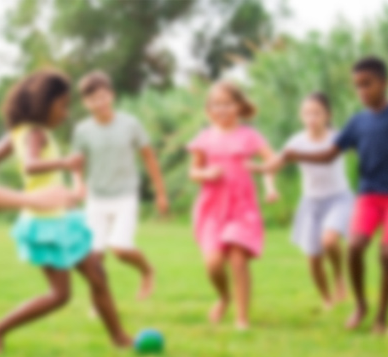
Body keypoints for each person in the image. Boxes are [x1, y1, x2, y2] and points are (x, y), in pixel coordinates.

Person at [272, 56, 388, 335]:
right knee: (354, 248)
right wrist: (296, 154)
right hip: (368, 195)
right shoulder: (358, 122)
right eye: (357, 86)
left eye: (368, 84)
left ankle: (381, 319)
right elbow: (328, 155)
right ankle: (361, 305)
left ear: (384, 83)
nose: (362, 91)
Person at [0, 69, 132, 352]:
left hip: (58, 218)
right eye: (62, 105)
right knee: (60, 295)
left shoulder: (22, 131)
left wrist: (12, 135)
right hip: (46, 223)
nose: (65, 112)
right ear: (44, 103)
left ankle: (119, 338)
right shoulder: (36, 133)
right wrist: (64, 163)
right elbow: (30, 165)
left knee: (97, 275)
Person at [188, 80, 279, 330]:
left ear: (238, 106)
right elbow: (193, 172)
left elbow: (271, 162)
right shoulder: (204, 138)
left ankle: (242, 318)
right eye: (216, 104)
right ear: (208, 110)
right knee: (213, 264)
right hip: (212, 207)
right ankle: (224, 296)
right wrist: (206, 174)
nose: (222, 109)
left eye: (227, 103)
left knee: (238, 259)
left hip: (242, 207)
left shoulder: (250, 136)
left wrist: (270, 186)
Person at [71, 71, 168, 300]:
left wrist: (160, 193)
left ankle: (147, 270)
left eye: (103, 96)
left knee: (120, 249)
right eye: (93, 99)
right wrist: (78, 184)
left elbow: (149, 157)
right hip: (96, 197)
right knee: (94, 256)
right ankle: (102, 301)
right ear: (86, 103)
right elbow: (77, 163)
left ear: (112, 96)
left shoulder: (130, 124)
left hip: (125, 195)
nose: (100, 103)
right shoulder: (82, 130)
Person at [273, 92, 354, 309]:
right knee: (313, 258)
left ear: (327, 115)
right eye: (307, 113)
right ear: (301, 116)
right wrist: (270, 187)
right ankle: (327, 299)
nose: (312, 118)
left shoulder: (338, 138)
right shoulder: (296, 142)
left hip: (338, 198)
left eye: (317, 113)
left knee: (329, 241)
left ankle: (338, 275)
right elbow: (274, 166)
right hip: (311, 203)